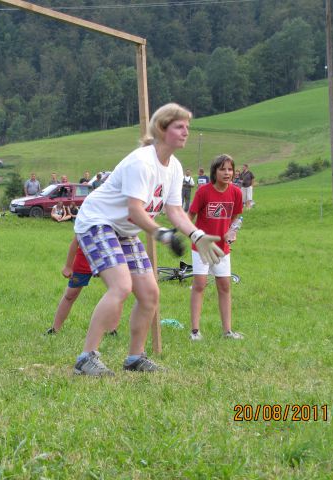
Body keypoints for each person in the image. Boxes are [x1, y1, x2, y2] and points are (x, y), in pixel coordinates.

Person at [72, 103, 224, 376]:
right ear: (162, 129)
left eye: (188, 127)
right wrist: (162, 234)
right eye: (180, 127)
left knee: (150, 293)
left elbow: (175, 211)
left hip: (124, 230)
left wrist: (196, 235)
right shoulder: (142, 162)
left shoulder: (174, 167)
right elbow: (135, 210)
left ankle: (134, 358)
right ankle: (86, 358)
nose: (186, 132)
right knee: (121, 286)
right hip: (97, 221)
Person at [188, 154, 244, 341]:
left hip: (222, 249)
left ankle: (227, 331)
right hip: (202, 247)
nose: (227, 173)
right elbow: (190, 217)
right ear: (215, 172)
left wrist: (232, 231)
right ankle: (195, 331)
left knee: (224, 286)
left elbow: (237, 217)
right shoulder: (203, 192)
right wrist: (194, 236)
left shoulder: (236, 192)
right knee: (200, 284)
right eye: (222, 169)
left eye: (230, 169)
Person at [46, 238, 118, 336]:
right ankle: (55, 329)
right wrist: (68, 266)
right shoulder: (85, 222)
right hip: (84, 258)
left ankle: (111, 330)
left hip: (108, 257)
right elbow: (76, 241)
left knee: (117, 292)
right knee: (70, 294)